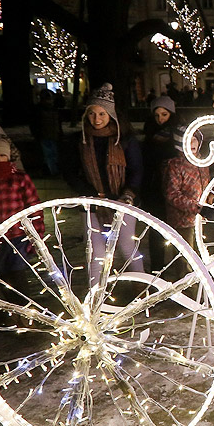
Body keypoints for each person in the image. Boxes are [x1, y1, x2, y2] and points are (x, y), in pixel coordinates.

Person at [72, 83, 144, 282]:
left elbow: (136, 170)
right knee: (96, 253)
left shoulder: (125, 140)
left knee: (128, 247)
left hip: (123, 201)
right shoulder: (81, 141)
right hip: (92, 205)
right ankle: (95, 296)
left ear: (110, 115)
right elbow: (71, 171)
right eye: (92, 114)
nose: (97, 119)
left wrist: (128, 194)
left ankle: (141, 289)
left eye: (102, 114)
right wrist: (87, 193)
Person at [0, 136, 44, 276]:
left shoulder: (19, 178)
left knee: (17, 274)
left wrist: (36, 236)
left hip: (17, 237)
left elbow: (34, 207)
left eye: (2, 155)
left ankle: (19, 298)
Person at [140, 95, 183, 270]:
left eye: (164, 114)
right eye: (157, 115)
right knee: (156, 232)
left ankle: (179, 269)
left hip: (175, 188)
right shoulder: (150, 136)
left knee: (177, 232)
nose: (160, 119)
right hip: (155, 189)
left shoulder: (178, 135)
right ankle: (158, 269)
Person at [162, 125, 209, 279]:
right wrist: (195, 207)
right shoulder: (175, 165)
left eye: (194, 139)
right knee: (185, 257)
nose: (192, 143)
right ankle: (186, 288)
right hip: (181, 220)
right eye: (187, 140)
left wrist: (210, 199)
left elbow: (206, 186)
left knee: (200, 253)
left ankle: (200, 282)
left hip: (199, 219)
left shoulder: (203, 163)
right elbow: (172, 194)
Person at [33, 89, 62, 176]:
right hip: (45, 135)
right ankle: (52, 171)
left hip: (52, 134)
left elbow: (58, 123)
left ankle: (52, 170)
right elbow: (35, 124)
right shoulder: (41, 110)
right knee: (49, 154)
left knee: (52, 154)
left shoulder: (53, 109)